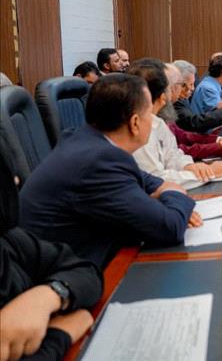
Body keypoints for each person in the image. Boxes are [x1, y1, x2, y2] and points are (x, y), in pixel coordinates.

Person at [19, 73, 200, 268]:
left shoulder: (88, 143)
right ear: (135, 123)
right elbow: (169, 227)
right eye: (150, 114)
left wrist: (166, 194)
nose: (154, 120)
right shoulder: (98, 162)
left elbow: (150, 183)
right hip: (71, 274)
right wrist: (176, 194)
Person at [0, 151, 102, 361]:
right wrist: (59, 335)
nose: (16, 181)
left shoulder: (9, 240)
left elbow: (84, 270)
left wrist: (48, 295)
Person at [130, 59, 222, 189]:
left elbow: (173, 154)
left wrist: (189, 166)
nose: (178, 90)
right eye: (176, 85)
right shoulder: (139, 127)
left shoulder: (158, 121)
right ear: (163, 95)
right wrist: (208, 173)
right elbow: (155, 180)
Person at [163, 63, 222, 161]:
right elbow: (194, 124)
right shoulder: (171, 106)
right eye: (188, 84)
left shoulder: (178, 102)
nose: (192, 88)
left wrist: (217, 140)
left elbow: (182, 135)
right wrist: (218, 147)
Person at [173, 59, 222, 133]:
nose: (193, 89)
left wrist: (219, 106)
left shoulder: (182, 98)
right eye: (191, 84)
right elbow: (194, 123)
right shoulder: (174, 102)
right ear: (178, 85)